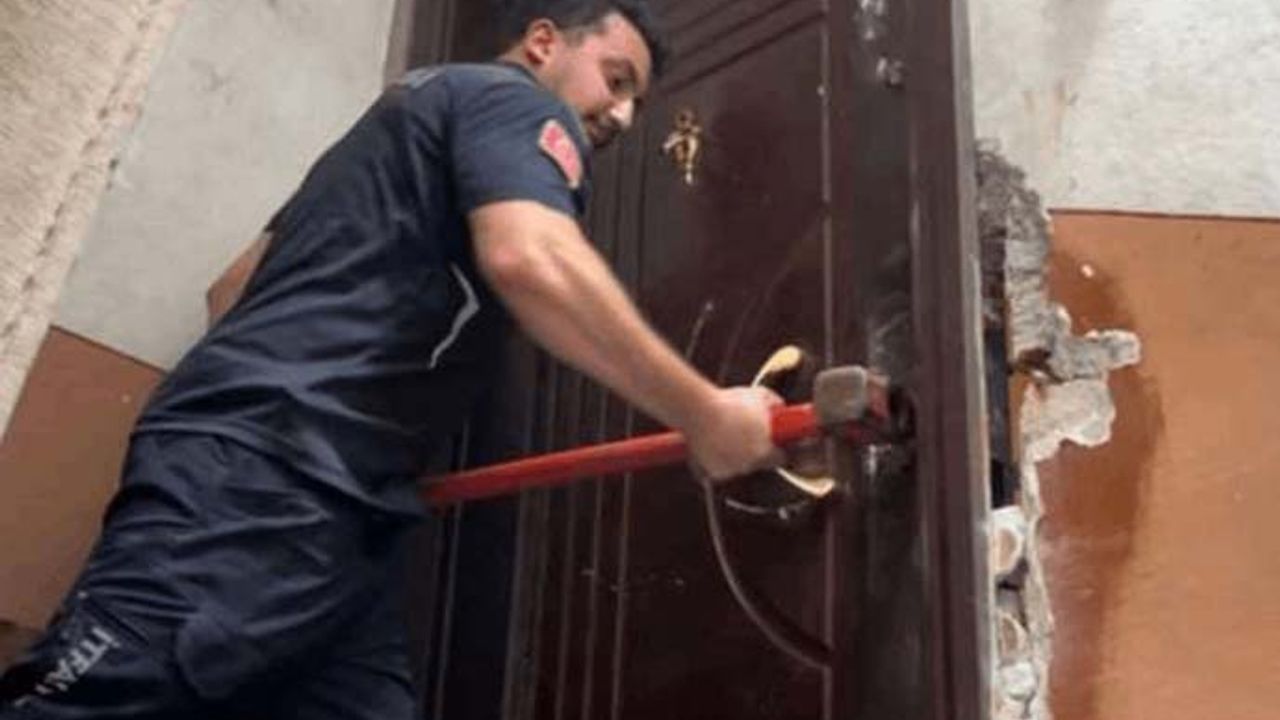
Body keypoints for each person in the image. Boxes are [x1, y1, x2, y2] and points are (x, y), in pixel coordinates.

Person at [0, 1, 783, 717]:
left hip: (329, 510)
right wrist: (704, 414)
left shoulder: (404, 119)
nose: (623, 114)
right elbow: (530, 257)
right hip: (265, 484)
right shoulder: (514, 103)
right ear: (544, 43)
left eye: (636, 100)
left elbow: (230, 290)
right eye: (616, 80)